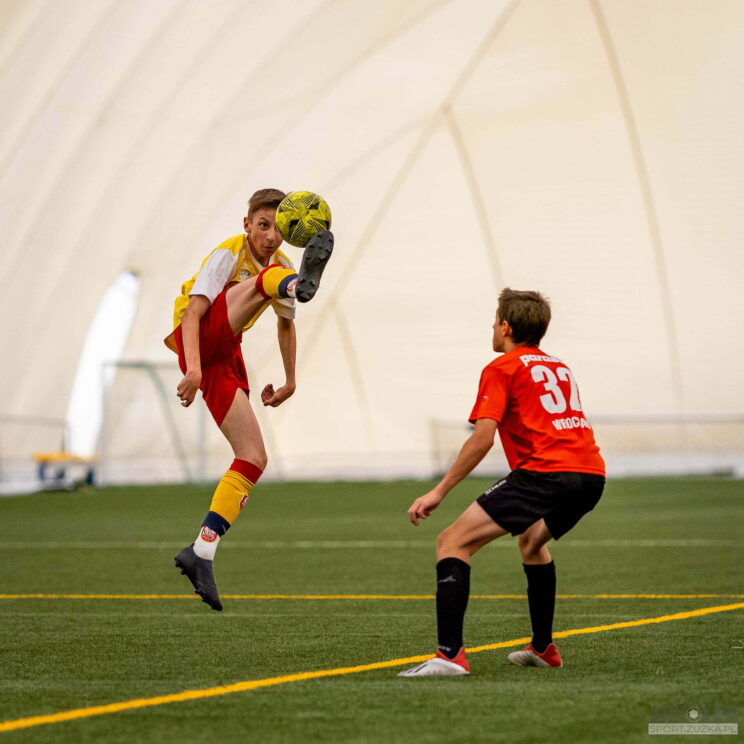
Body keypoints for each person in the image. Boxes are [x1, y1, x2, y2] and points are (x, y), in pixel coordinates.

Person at [399, 288, 605, 676]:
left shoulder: (502, 367)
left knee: (452, 541)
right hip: (591, 475)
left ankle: (450, 656)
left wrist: (439, 490)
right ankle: (543, 648)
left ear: (506, 327)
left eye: (495, 321)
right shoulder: (559, 366)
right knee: (530, 542)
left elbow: (482, 439)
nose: (492, 328)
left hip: (545, 473)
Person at [164, 188, 333, 611]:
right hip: (198, 339)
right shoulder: (230, 253)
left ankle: (201, 551)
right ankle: (297, 286)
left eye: (278, 228)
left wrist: (290, 380)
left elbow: (285, 325)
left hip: (225, 353)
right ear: (247, 225)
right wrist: (193, 369)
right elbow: (193, 313)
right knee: (268, 281)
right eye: (263, 225)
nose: (271, 236)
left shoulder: (279, 262)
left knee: (254, 457)